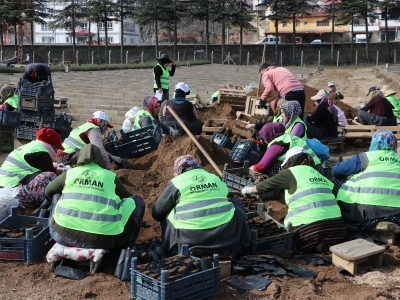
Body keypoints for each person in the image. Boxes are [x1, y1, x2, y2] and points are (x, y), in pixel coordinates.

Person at [242, 148, 347, 253]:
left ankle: (314, 246)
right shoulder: (318, 174)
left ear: (290, 161)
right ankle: (324, 244)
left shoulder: (291, 172)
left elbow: (267, 185)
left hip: (309, 231)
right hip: (337, 229)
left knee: (287, 235)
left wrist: (249, 190)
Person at [45, 144, 145, 249]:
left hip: (61, 235)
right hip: (103, 241)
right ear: (100, 159)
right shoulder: (109, 176)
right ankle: (127, 244)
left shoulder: (70, 173)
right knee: (136, 201)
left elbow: (48, 191)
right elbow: (128, 198)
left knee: (57, 194)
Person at [152, 155, 251, 256]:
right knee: (235, 202)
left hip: (190, 239)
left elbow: (157, 212)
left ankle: (169, 250)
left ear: (178, 170)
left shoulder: (177, 182)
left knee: (168, 211)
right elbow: (225, 195)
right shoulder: (214, 177)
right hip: (226, 234)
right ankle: (244, 242)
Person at [335, 130, 400, 231]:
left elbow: (337, 171)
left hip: (365, 211)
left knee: (336, 182)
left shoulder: (364, 158)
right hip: (397, 212)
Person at [0, 128, 63, 209]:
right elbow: (51, 171)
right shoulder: (41, 152)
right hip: (13, 190)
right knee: (51, 176)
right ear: (52, 146)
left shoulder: (30, 147)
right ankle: (34, 208)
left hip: (4, 186)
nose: (56, 152)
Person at [55, 111, 121, 170]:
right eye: (106, 125)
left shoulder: (85, 126)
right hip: (66, 158)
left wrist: (112, 156)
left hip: (64, 156)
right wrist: (109, 169)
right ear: (101, 122)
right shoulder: (93, 129)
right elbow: (99, 149)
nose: (106, 129)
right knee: (93, 152)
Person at [251, 123, 321, 177]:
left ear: (269, 135)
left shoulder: (278, 143)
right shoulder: (288, 137)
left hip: (306, 171)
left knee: (272, 166)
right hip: (317, 167)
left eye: (264, 136)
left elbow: (262, 166)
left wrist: (251, 168)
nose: (264, 140)